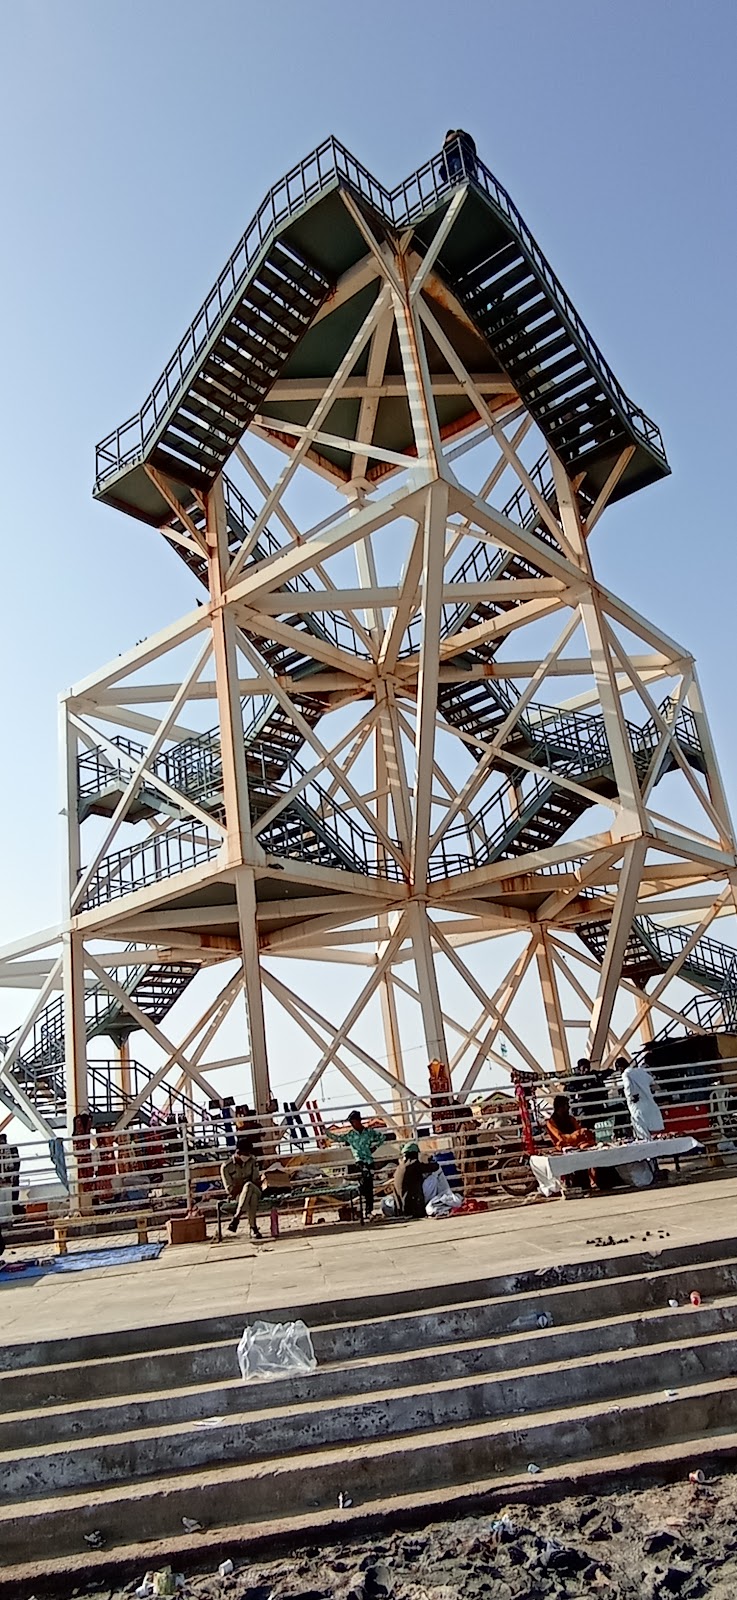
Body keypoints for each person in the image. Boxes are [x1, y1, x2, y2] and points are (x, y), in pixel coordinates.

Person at [327, 1110, 386, 1217]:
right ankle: (366, 1209)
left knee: (368, 1186)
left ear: (358, 1121)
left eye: (353, 1122)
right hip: (360, 1162)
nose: (352, 1124)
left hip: (369, 1161)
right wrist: (327, 1132)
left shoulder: (369, 1132)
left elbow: (382, 1137)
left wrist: (375, 1147)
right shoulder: (351, 1135)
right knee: (366, 1183)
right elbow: (338, 1138)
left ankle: (368, 1209)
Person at [546, 1094, 599, 1193]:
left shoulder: (570, 1119)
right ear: (560, 1107)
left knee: (590, 1147)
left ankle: (594, 1180)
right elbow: (560, 1138)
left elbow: (579, 1131)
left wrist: (584, 1133)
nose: (568, 1108)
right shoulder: (551, 1122)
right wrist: (576, 1135)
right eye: (566, 1105)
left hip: (577, 1145)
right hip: (562, 1148)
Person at [220, 1135, 263, 1239]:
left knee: (249, 1186)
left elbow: (255, 1182)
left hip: (255, 1190)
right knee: (251, 1197)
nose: (247, 1156)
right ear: (238, 1152)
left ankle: (236, 1217)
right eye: (245, 1154)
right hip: (239, 1196)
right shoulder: (226, 1167)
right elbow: (230, 1190)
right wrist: (244, 1186)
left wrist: (243, 1185)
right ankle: (253, 1228)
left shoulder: (252, 1161)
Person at [618, 1056, 664, 1141]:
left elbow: (628, 1087)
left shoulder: (626, 1074)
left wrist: (630, 1097)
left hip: (636, 1103)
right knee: (653, 1126)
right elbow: (653, 1084)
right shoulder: (640, 1071)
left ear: (620, 1068)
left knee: (640, 1126)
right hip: (648, 1101)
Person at [392, 1142, 439, 1218]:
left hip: (401, 1208)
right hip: (413, 1207)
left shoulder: (401, 1167)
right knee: (433, 1178)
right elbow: (435, 1167)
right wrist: (428, 1159)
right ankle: (432, 1203)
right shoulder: (414, 1164)